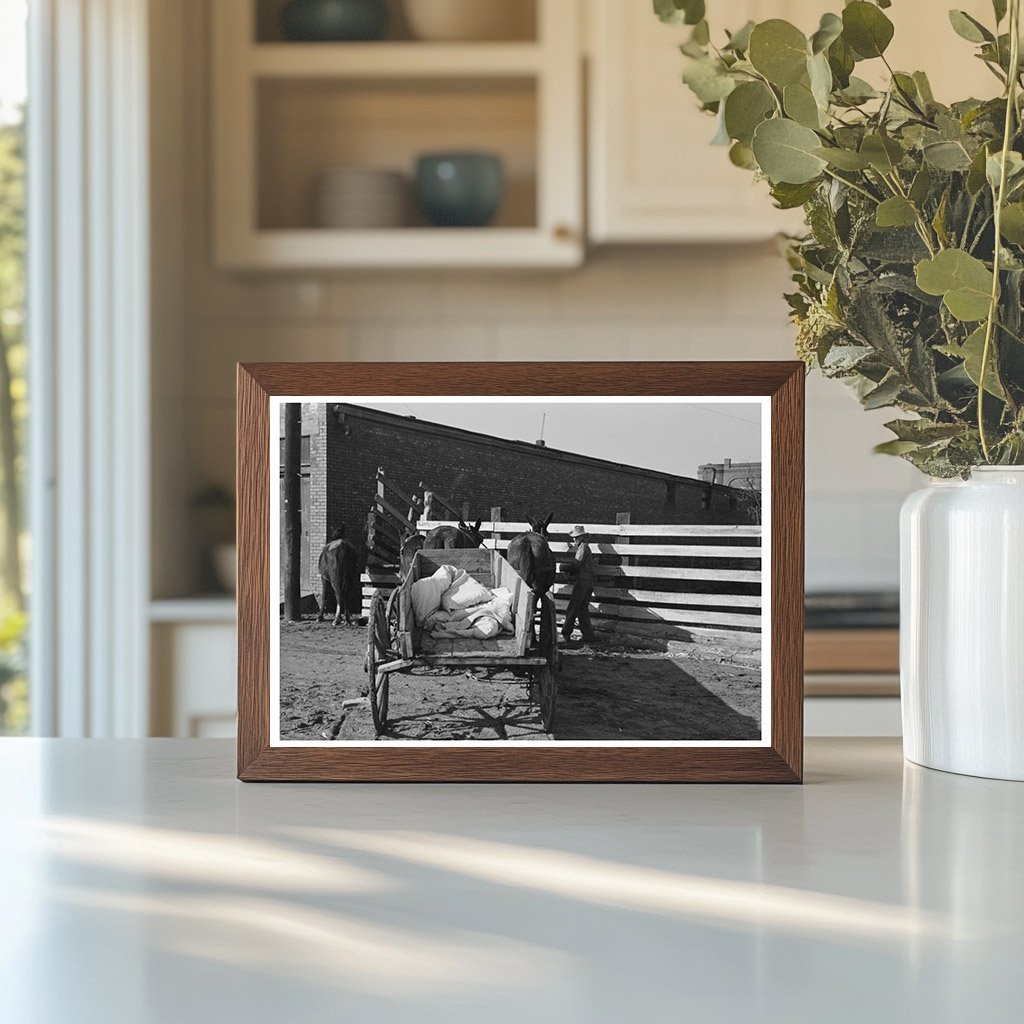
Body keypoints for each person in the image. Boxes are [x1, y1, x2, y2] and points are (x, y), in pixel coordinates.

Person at [561, 524, 597, 643]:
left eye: (576, 538)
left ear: (581, 537)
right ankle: (588, 635)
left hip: (582, 582)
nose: (574, 540)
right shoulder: (585, 547)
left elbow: (576, 565)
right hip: (588, 582)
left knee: (572, 608)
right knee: (582, 609)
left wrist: (563, 567)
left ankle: (565, 634)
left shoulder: (583, 548)